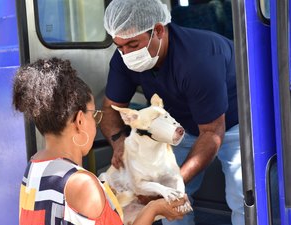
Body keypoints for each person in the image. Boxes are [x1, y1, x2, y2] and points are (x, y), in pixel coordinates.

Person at [100, 0, 244, 225]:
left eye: (133, 45)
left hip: (234, 122)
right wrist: (120, 144)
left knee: (244, 198)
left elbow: (212, 133)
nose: (126, 54)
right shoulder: (124, 58)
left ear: (158, 30)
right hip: (180, 126)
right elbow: (110, 108)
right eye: (119, 47)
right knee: (170, 209)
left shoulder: (199, 59)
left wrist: (170, 185)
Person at [14, 58, 189, 225]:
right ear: (80, 121)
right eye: (95, 115)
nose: (96, 123)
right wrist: (154, 208)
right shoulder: (83, 184)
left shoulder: (35, 165)